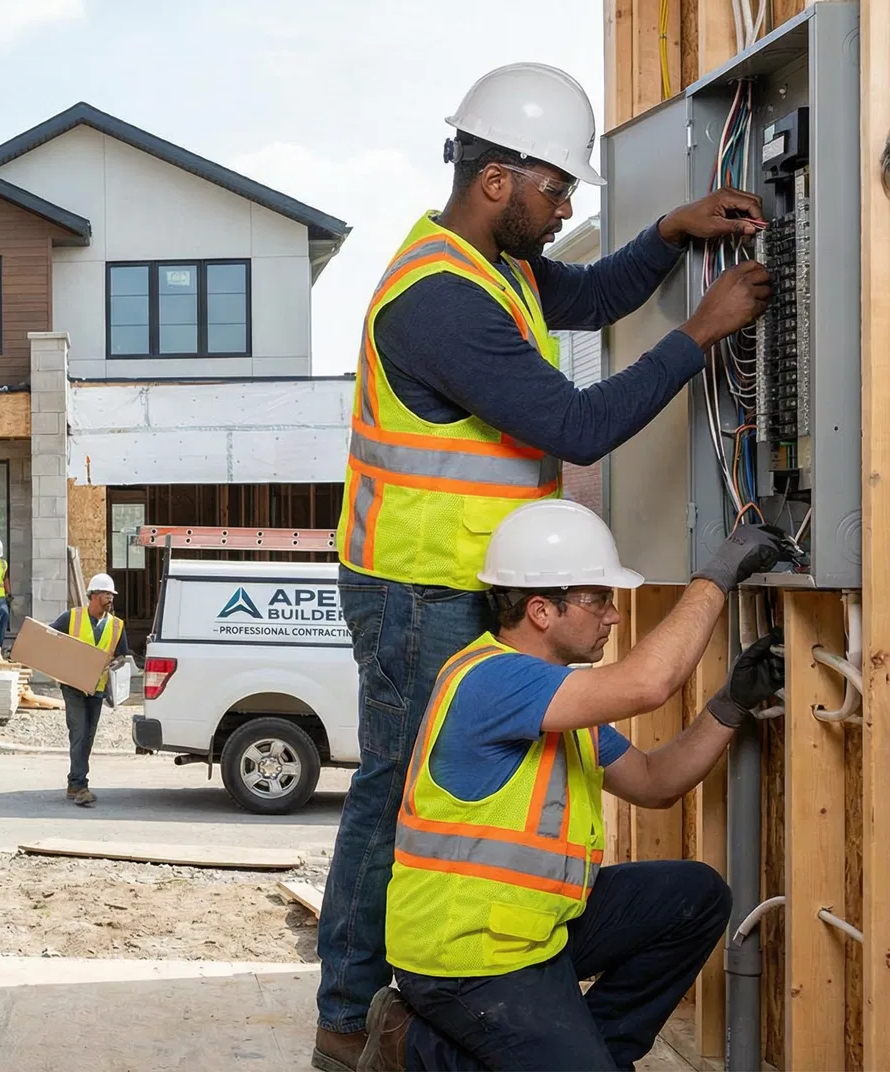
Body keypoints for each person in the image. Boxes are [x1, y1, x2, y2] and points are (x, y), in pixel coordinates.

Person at [315, 61, 775, 1069]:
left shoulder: (500, 269)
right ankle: (348, 1022)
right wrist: (701, 332)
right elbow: (577, 423)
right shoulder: (437, 300)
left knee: (467, 782)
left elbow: (593, 294)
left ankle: (468, 1019)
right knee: (395, 795)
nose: (565, 205)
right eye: (557, 187)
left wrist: (668, 237)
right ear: (496, 180)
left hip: (470, 584)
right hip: (415, 585)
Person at [354, 500, 784, 1071]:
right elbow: (650, 683)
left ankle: (597, 1054)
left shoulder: (554, 703)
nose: (613, 616)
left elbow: (656, 782)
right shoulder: (492, 680)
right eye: (598, 599)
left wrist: (729, 705)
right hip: (465, 957)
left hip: (533, 932)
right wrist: (717, 575)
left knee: (695, 896)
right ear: (540, 610)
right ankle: (409, 1047)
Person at [47, 573, 129, 807]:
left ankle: (74, 782)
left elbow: (122, 655)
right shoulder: (72, 617)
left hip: (97, 688)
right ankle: (81, 786)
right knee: (79, 732)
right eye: (105, 594)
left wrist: (117, 663)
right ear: (92, 596)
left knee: (88, 736)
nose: (109, 598)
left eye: (111, 594)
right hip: (72, 686)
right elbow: (49, 638)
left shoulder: (116, 625)